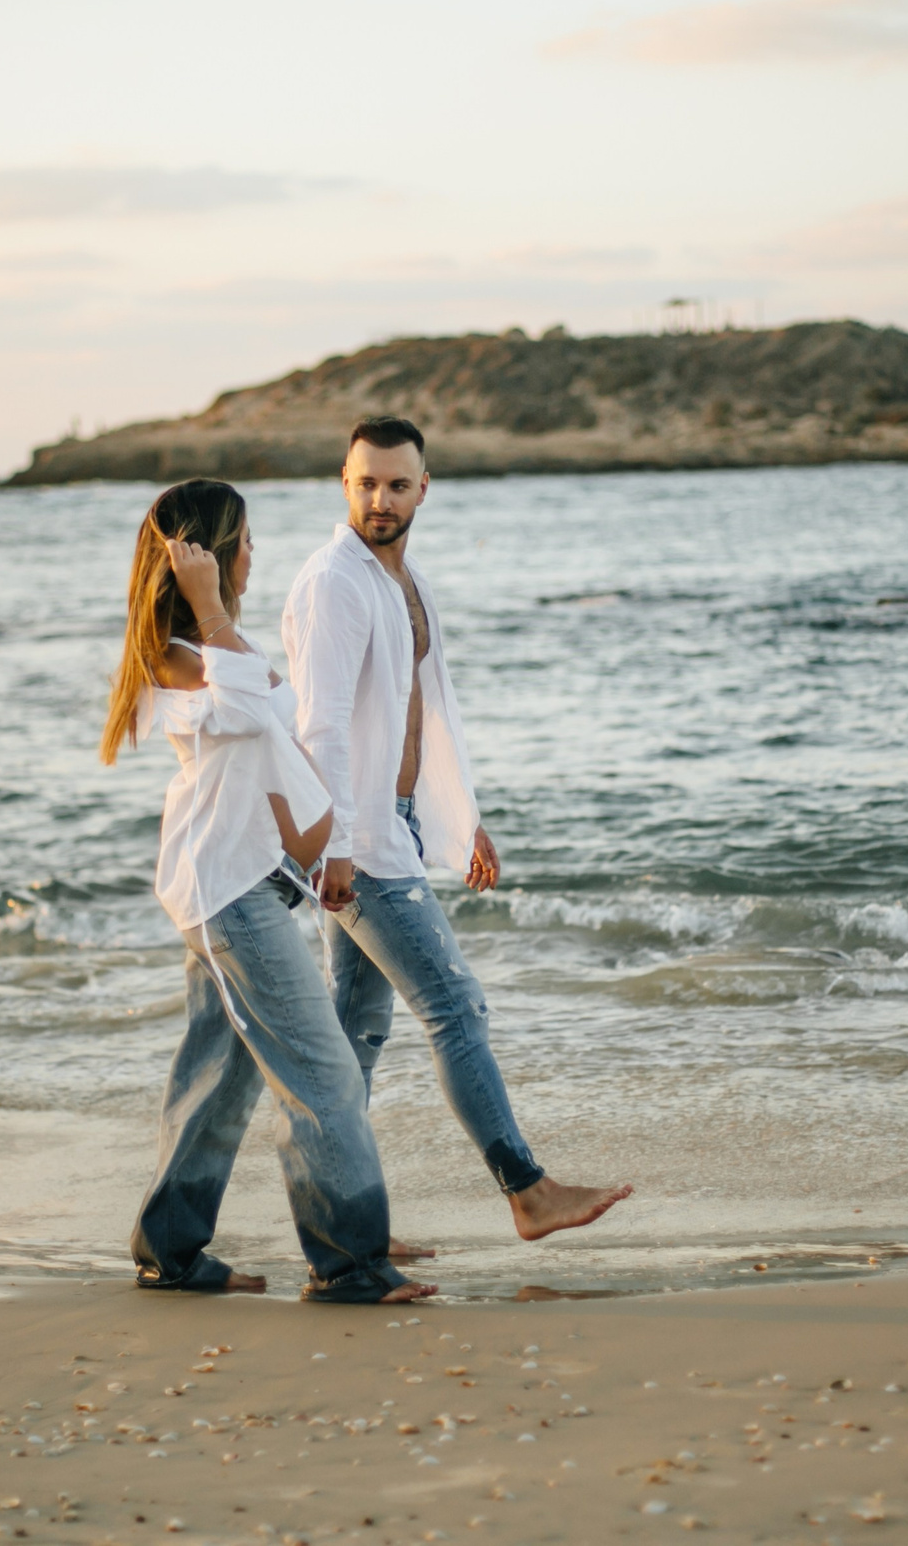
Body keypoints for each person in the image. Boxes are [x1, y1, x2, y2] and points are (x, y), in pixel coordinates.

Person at [283, 417, 633, 1242]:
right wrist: (333, 847)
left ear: (423, 490)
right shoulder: (334, 580)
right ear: (344, 480)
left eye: (397, 484)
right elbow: (321, 725)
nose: (380, 499)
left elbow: (428, 709)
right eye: (366, 482)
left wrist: (462, 817)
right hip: (358, 837)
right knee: (455, 1005)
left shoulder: (406, 582)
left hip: (388, 823)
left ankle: (339, 1225)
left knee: (355, 1033)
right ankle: (525, 1188)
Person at [101, 478, 432, 1305]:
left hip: (242, 882)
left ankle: (170, 1250)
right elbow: (254, 708)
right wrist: (210, 605)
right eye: (241, 540)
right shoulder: (177, 658)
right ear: (205, 559)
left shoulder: (211, 651)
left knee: (221, 1070)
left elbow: (273, 742)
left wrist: (320, 850)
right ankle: (350, 1263)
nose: (255, 554)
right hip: (226, 892)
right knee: (322, 1072)